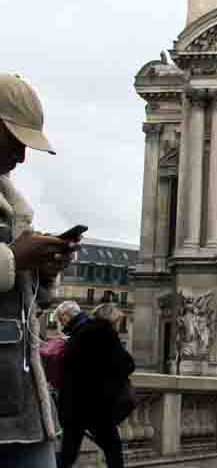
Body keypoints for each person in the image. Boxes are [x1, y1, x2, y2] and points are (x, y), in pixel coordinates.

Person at [0, 74, 76, 468]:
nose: (22, 156)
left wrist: (43, 271)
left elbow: (24, 307)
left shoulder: (13, 205)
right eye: (15, 139)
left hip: (21, 399)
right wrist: (14, 257)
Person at [59, 302, 134, 468]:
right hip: (97, 405)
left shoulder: (79, 332)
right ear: (110, 319)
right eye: (117, 321)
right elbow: (127, 364)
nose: (117, 325)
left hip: (74, 403)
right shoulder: (106, 333)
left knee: (68, 453)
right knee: (113, 449)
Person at [40, 301, 81, 397]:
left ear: (66, 315)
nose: (62, 325)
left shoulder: (80, 332)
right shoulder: (77, 330)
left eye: (61, 320)